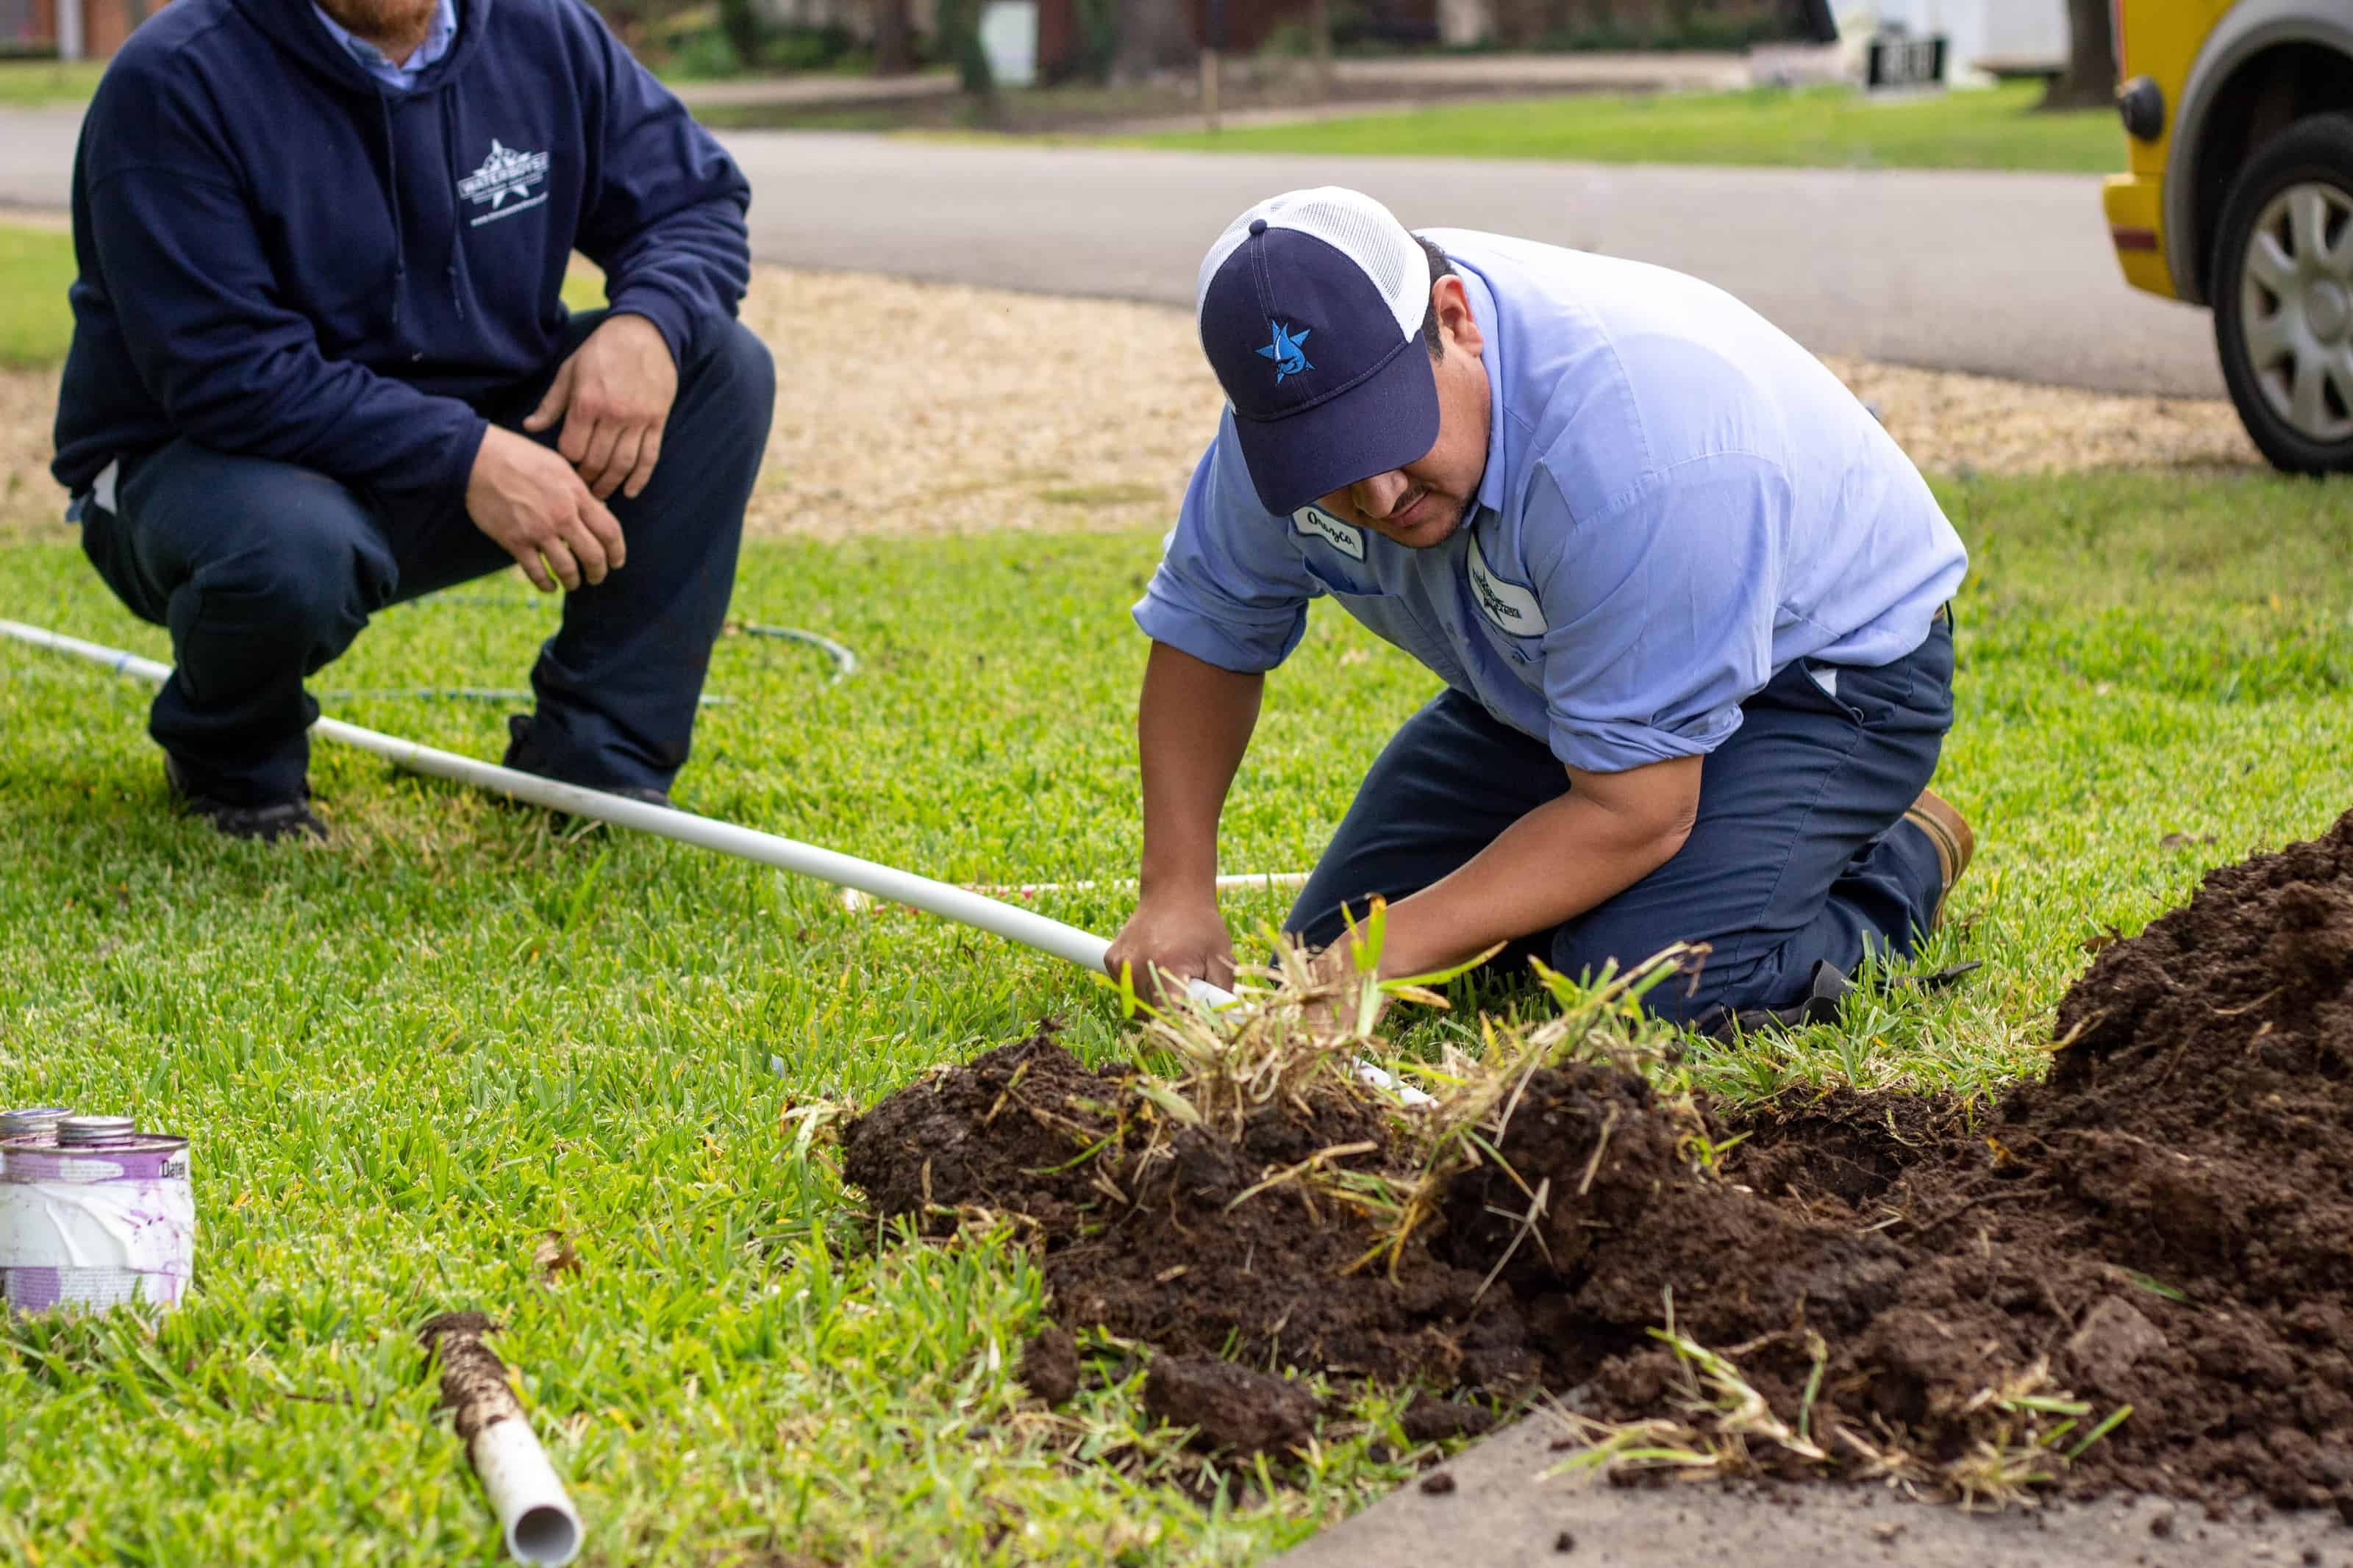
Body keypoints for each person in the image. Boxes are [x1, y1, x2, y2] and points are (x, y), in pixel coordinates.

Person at [1104, 187, 1974, 1031]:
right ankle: (1712, 848)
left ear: (1453, 321)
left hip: (1825, 678)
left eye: (1387, 430)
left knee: (1642, 985)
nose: (1378, 494)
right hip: (1555, 684)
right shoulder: (1283, 435)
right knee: (1322, 952)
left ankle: (1896, 856)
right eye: (1328, 460)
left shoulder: (1637, 455)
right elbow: (1208, 633)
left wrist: (1388, 952)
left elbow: (1636, 813)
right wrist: (1175, 890)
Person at [50, 0, 774, 841]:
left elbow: (693, 201)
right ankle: (231, 761)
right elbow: (223, 371)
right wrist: (465, 456)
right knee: (289, 551)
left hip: (460, 437)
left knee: (718, 367)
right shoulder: (176, 78)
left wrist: (649, 321)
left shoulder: (545, 32)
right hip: (203, 465)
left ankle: (595, 766)